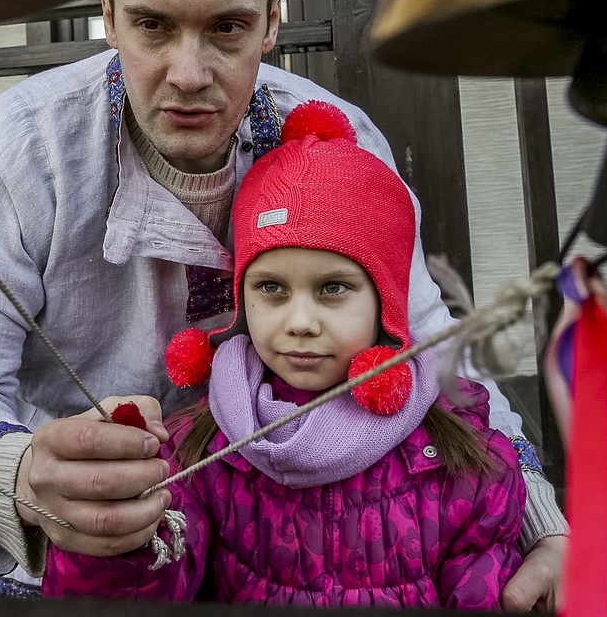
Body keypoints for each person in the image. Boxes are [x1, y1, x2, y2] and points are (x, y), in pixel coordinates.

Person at [0, 0, 567, 608]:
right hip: (92, 551)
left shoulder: (340, 140)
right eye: (152, 25)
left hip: (309, 543)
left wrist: (540, 521)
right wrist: (27, 479)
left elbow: (429, 345)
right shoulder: (16, 153)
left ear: (272, 21)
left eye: (227, 27)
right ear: (109, 18)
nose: (188, 75)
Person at [42, 101, 526, 607]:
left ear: (387, 305)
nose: (299, 321)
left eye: (334, 288)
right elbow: (141, 592)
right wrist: (121, 536)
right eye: (272, 287)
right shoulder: (199, 452)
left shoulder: (463, 460)